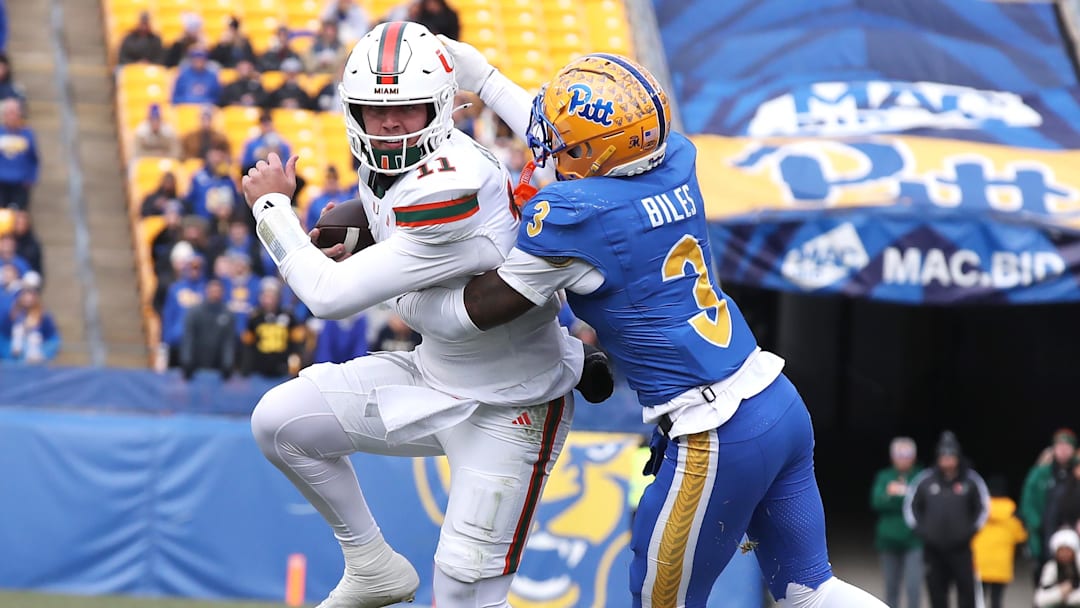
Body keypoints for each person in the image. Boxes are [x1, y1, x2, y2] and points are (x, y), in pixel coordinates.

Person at [401, 42, 888, 607]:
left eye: (562, 145)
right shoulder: (674, 158)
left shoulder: (579, 218)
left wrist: (406, 290)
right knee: (810, 591)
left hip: (714, 429)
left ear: (594, 154)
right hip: (773, 398)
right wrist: (483, 79)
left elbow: (483, 310)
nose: (546, 150)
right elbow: (566, 140)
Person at [240, 22, 611, 608]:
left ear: (439, 106)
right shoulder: (400, 164)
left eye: (408, 110)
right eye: (374, 111)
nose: (389, 125)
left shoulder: (453, 184)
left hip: (513, 403)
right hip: (434, 376)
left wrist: (270, 208)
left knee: (461, 590)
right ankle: (370, 565)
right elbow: (382, 203)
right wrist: (354, 223)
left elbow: (329, 298)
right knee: (280, 423)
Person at [903, 431, 990, 608]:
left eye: (951, 456)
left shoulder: (971, 480)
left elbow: (984, 508)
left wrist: (969, 532)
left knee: (967, 595)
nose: (947, 460)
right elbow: (910, 506)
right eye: (943, 455)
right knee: (937, 595)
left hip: (961, 549)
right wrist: (922, 532)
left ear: (958, 457)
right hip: (933, 551)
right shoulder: (925, 479)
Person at [871, 436, 923, 608]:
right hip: (888, 540)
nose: (903, 459)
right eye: (899, 455)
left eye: (907, 455)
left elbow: (923, 504)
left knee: (913, 586)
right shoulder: (884, 476)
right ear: (892, 456)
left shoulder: (921, 476)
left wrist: (899, 496)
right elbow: (877, 502)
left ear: (914, 456)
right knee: (891, 587)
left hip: (914, 540)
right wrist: (891, 496)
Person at [1024, 429, 1079, 579]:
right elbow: (1027, 502)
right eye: (1059, 446)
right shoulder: (1040, 473)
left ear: (1073, 450)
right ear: (1053, 449)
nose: (1063, 451)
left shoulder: (1077, 472)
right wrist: (1037, 524)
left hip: (1074, 537)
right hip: (1045, 537)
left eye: (1067, 447)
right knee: (1044, 579)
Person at [971, 476, 1027, 608]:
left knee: (979, 599)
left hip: (980, 562)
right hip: (1002, 564)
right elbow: (1021, 537)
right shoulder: (1012, 512)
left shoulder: (979, 510)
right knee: (996, 599)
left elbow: (969, 532)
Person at [179, 277, 235, 379]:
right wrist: (186, 360)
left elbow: (228, 341)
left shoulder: (227, 314)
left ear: (222, 293)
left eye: (218, 291)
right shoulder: (195, 312)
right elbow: (189, 338)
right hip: (196, 365)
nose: (215, 294)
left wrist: (228, 363)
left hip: (218, 366)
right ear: (206, 291)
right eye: (212, 291)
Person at [0, 98, 37, 210]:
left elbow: (33, 158)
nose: (12, 116)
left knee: (18, 215)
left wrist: (31, 178)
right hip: (1, 182)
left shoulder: (27, 134)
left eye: (14, 112)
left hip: (20, 183)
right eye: (9, 113)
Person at [1035, 529, 1080, 607]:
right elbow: (1039, 598)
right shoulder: (1051, 567)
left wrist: (1069, 594)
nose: (1064, 554)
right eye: (1061, 550)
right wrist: (1060, 592)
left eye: (1068, 550)